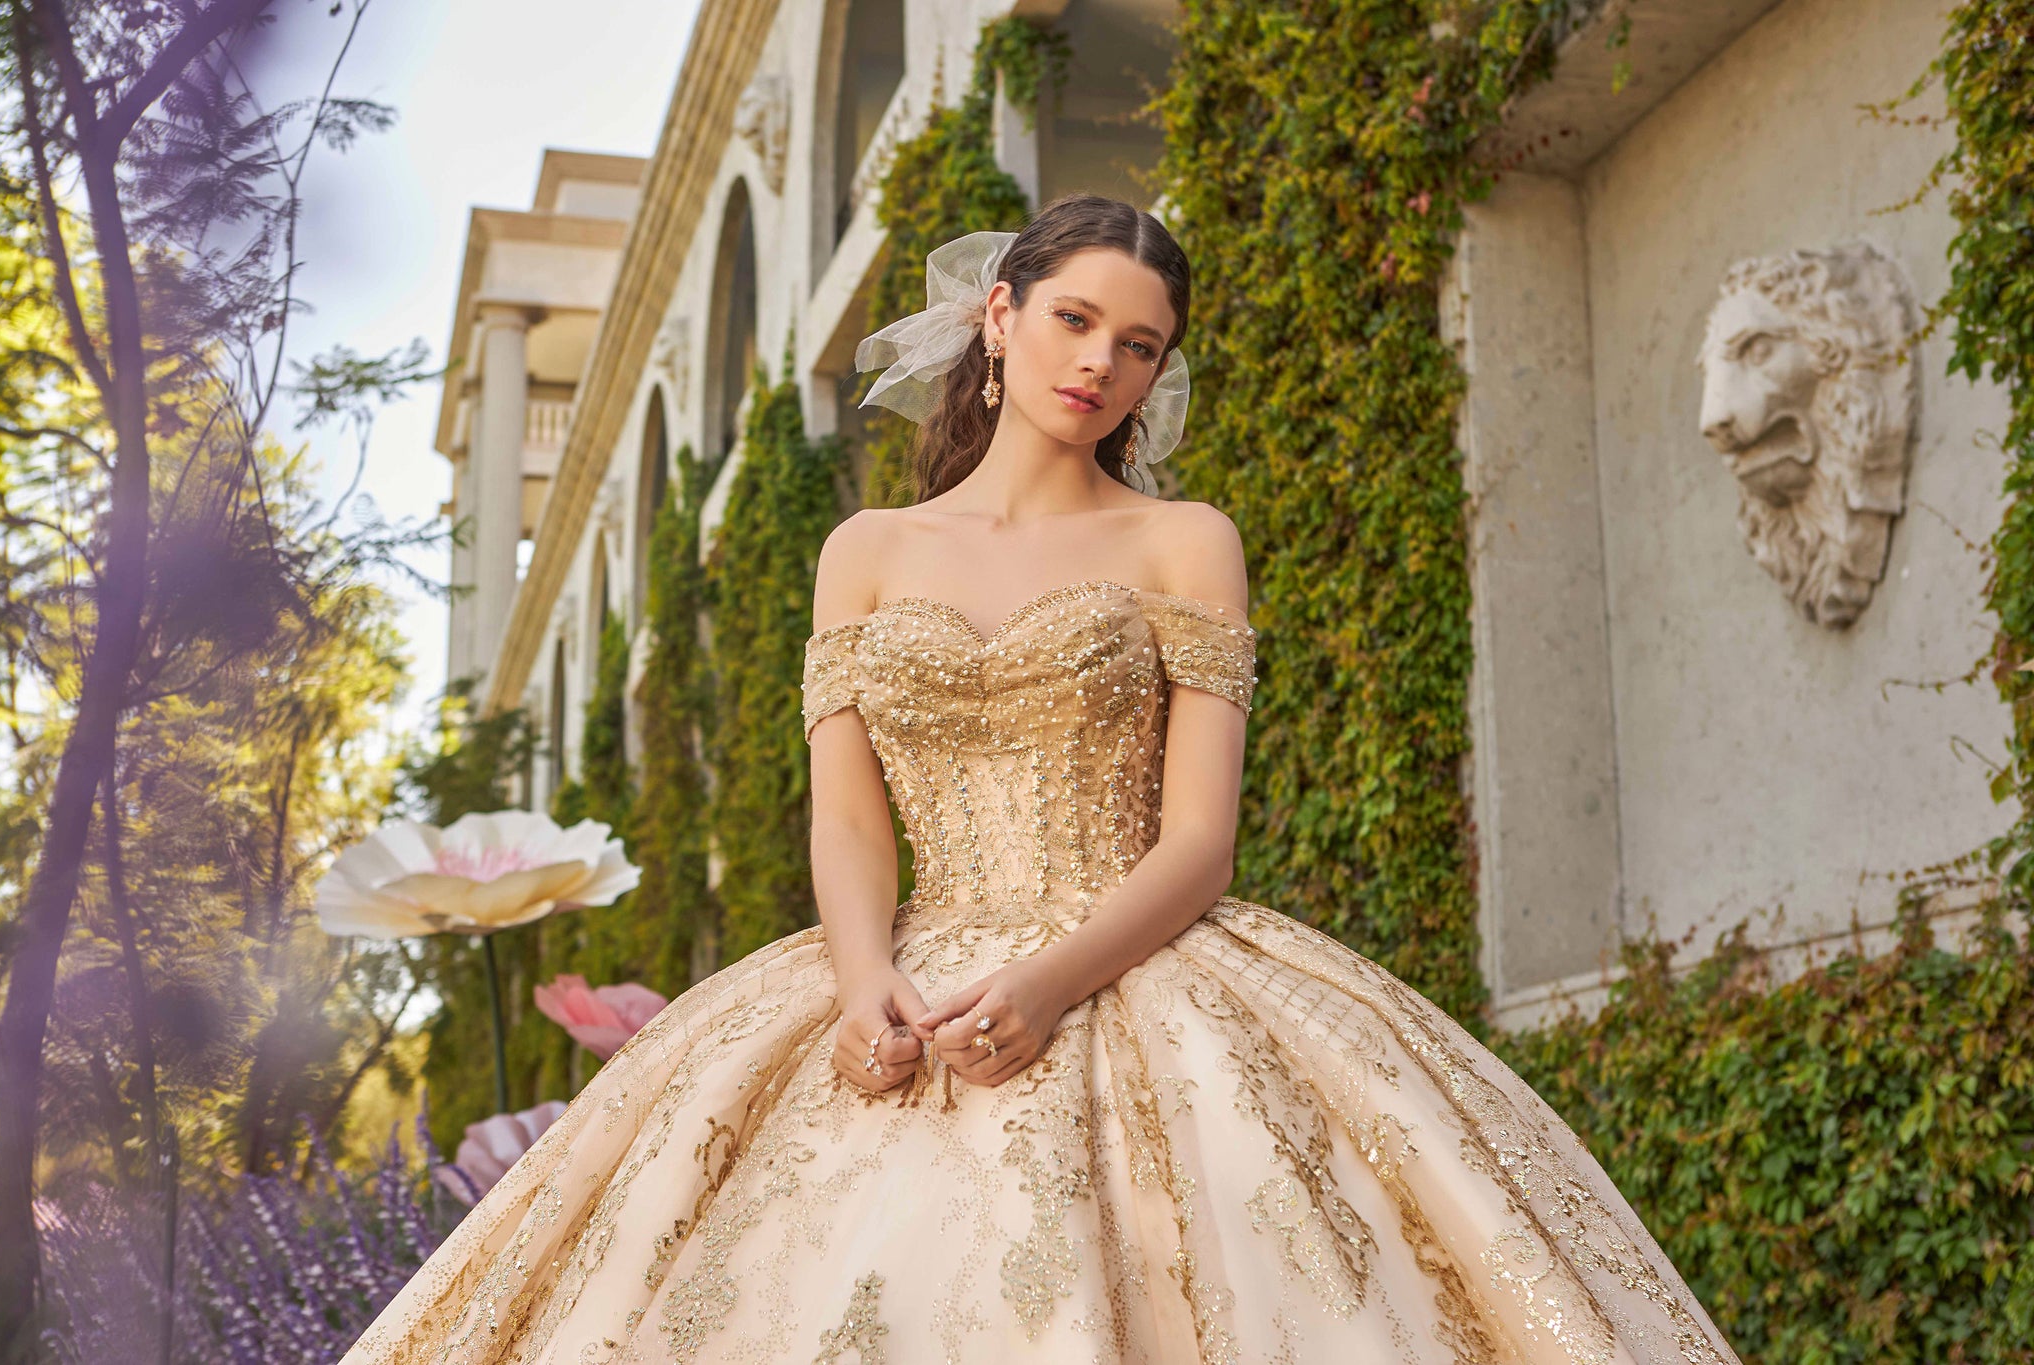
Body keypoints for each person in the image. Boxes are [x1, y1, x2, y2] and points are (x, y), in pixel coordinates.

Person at [343, 194, 1742, 1364]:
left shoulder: (1186, 540)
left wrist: (1044, 983)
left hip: (1128, 964)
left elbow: (1199, 841)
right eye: (1077, 319)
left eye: (1142, 345)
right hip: (892, 981)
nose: (1103, 364)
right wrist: (856, 980)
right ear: (999, 317)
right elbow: (843, 810)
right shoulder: (865, 551)